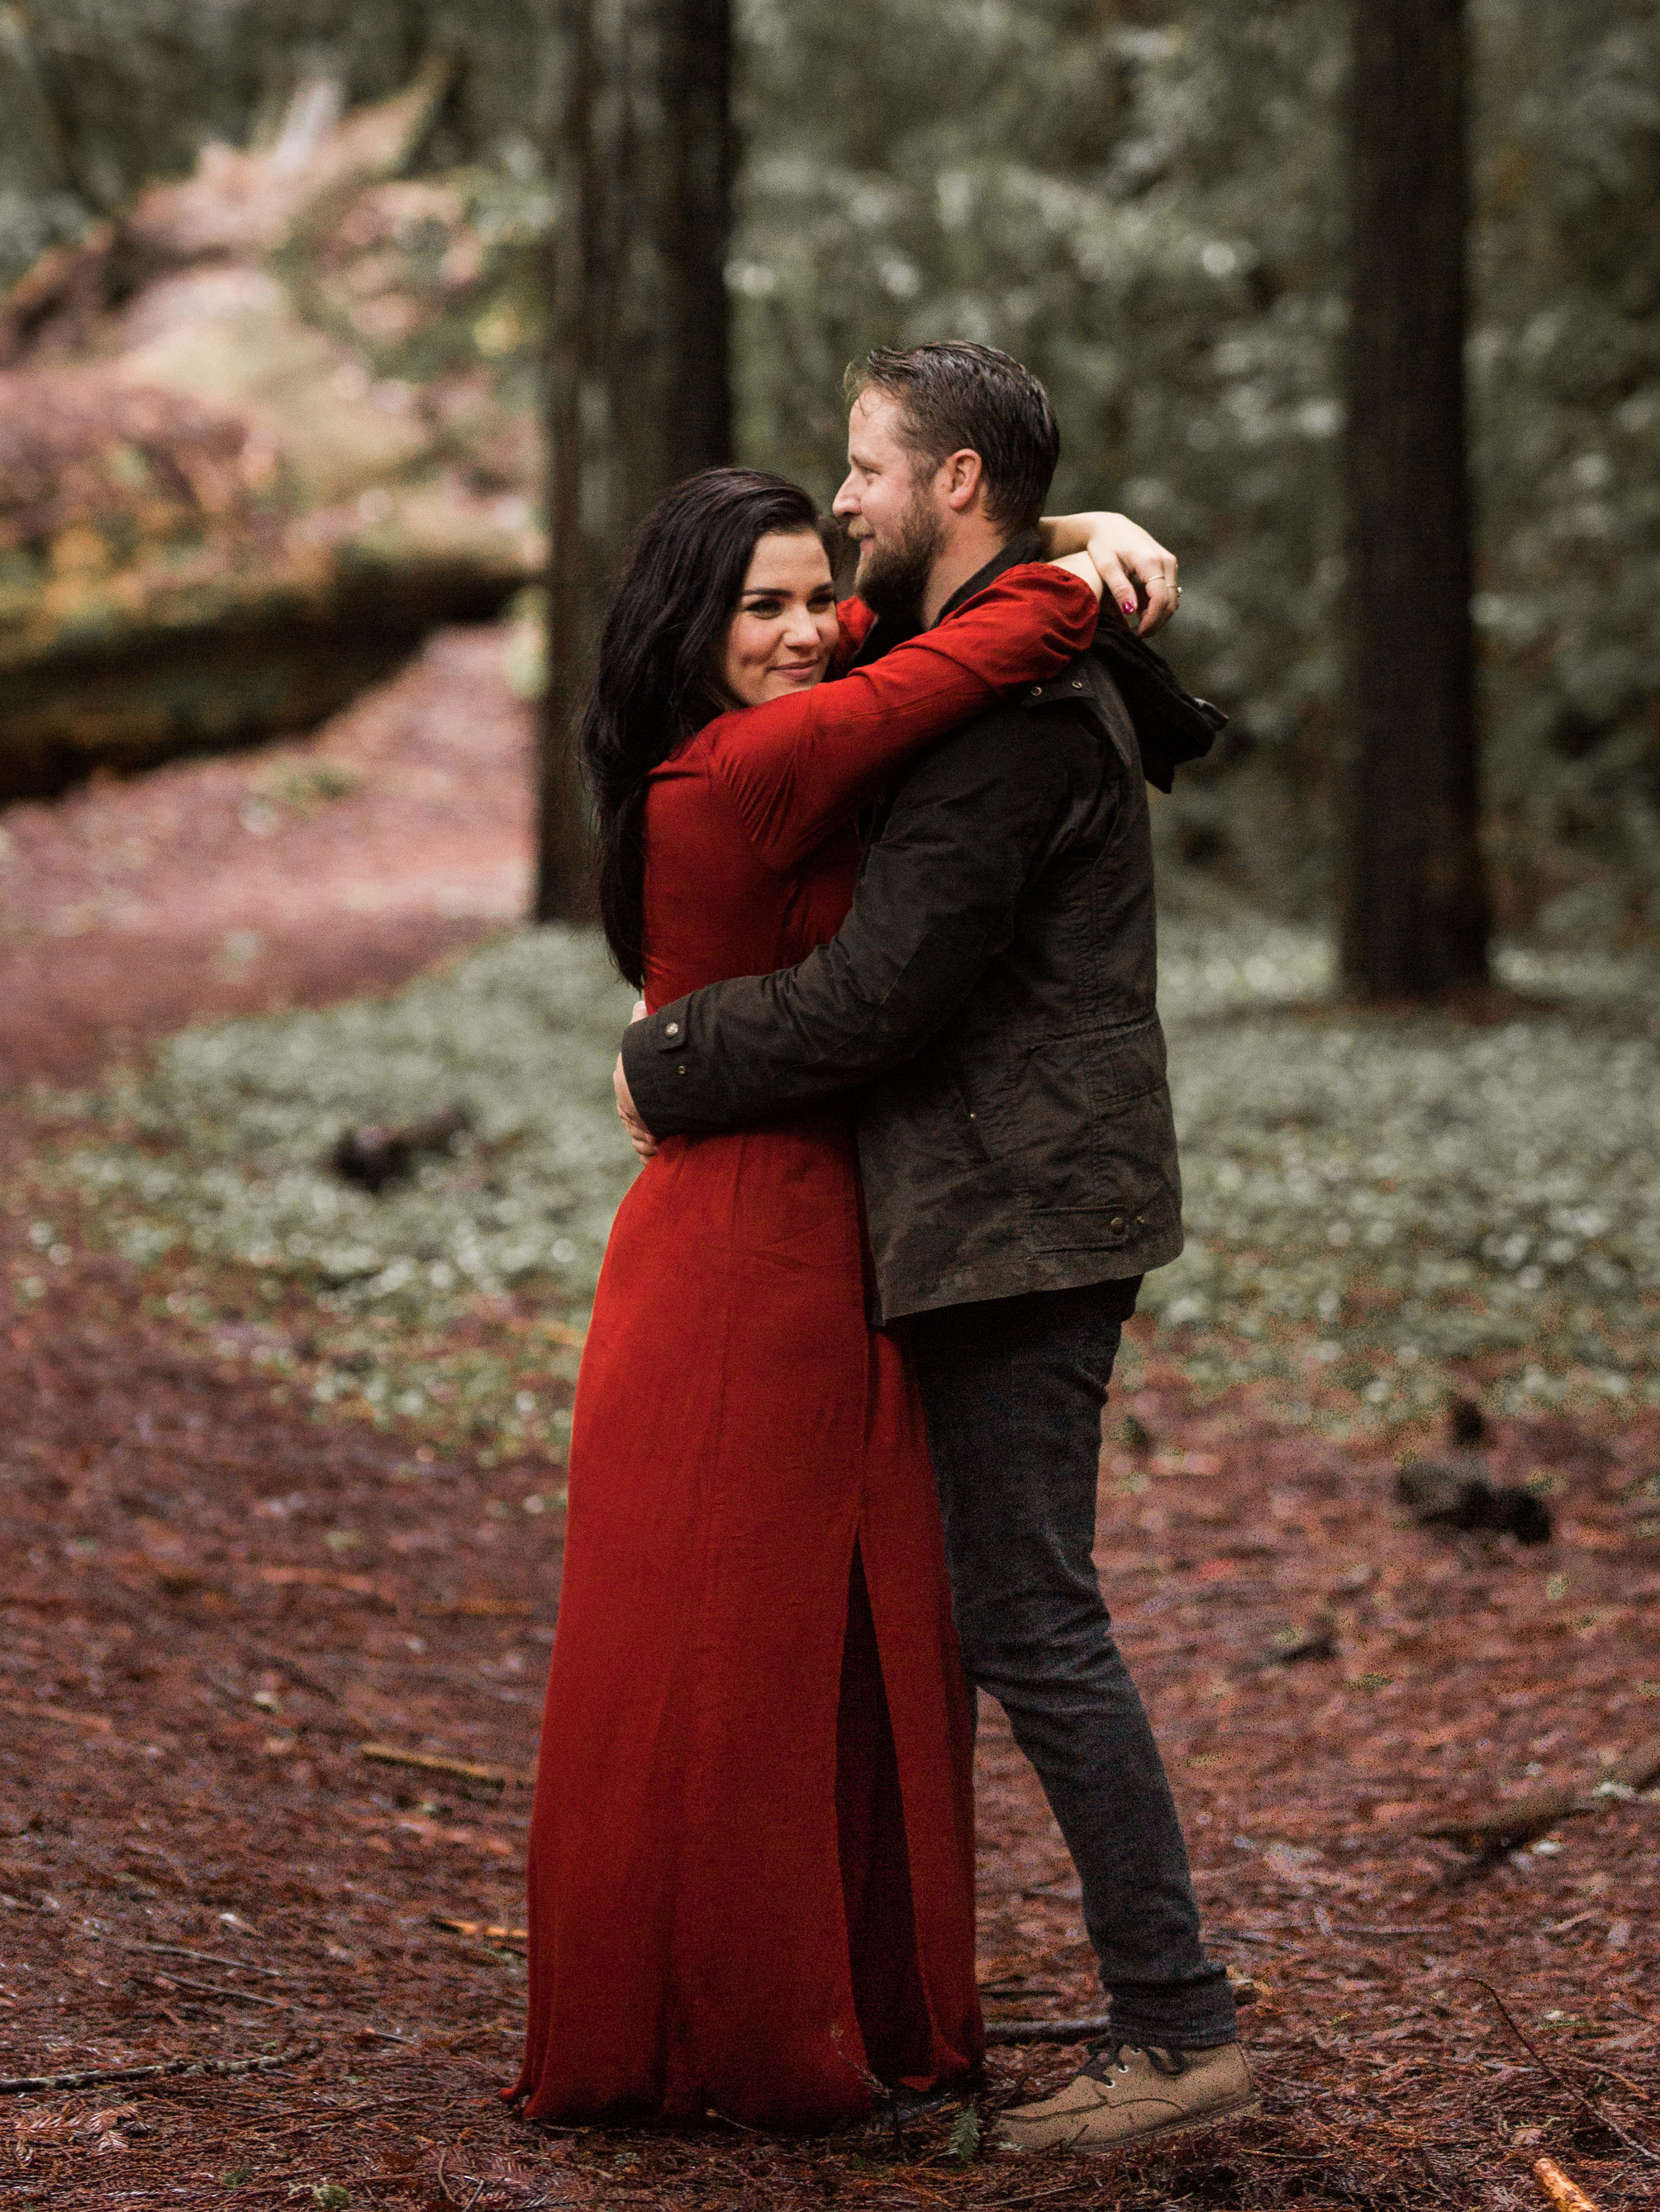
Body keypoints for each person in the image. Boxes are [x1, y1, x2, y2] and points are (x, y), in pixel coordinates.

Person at [616, 344, 1252, 2160]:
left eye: (868, 473)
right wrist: (1081, 538)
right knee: (1012, 1614)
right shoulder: (984, 660)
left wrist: (666, 1058)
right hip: (1008, 1204)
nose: (845, 506)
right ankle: (1153, 2013)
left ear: (952, 485)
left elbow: (873, 1001)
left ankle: (1175, 2029)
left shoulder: (1006, 726)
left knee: (1032, 1619)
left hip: (1021, 1217)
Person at [514, 464, 1168, 2131]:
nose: (809, 629)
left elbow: (895, 624)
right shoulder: (742, 765)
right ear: (689, 625)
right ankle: (756, 2043)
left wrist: (1062, 530)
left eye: (819, 594)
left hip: (824, 1222)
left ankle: (812, 2003)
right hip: (747, 1243)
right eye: (763, 606)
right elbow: (958, 656)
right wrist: (1073, 568)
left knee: (840, 1642)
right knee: (747, 1647)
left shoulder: (789, 695)